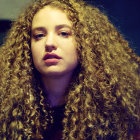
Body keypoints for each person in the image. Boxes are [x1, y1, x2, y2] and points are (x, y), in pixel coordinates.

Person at [0, 0, 140, 139]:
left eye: (64, 33)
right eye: (39, 35)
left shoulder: (119, 113)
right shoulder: (6, 109)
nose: (49, 43)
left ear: (86, 41)